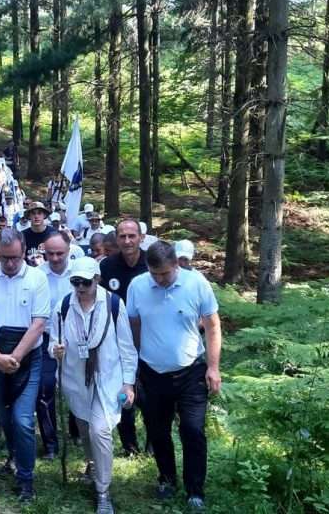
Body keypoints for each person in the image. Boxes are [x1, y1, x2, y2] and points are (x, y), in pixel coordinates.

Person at [126, 241, 222, 511]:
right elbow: (134, 325)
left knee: (193, 430)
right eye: (154, 274)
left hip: (191, 370)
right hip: (152, 371)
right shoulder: (138, 286)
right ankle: (166, 478)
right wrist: (135, 363)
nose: (160, 279)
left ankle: (195, 490)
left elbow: (213, 326)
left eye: (165, 274)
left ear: (177, 264)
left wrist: (213, 367)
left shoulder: (196, 283)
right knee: (158, 430)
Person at [50, 257, 138, 514]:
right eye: (75, 282)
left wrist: (128, 384)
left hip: (107, 379)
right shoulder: (63, 306)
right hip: (76, 380)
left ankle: (103, 491)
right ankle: (92, 465)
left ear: (97, 280)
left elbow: (127, 348)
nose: (80, 287)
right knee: (85, 427)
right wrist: (55, 350)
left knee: (100, 431)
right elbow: (52, 341)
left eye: (85, 282)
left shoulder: (113, 304)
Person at [0, 228, 50, 502]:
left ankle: (26, 479)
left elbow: (38, 324)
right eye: (4, 258)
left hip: (28, 358)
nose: (9, 263)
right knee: (5, 417)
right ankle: (14, 456)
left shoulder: (37, 278)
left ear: (24, 252)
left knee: (23, 419)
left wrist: (15, 357)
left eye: (15, 258)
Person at [98, 218, 148, 456]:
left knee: (149, 394)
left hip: (149, 338)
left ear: (141, 238)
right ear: (116, 239)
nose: (127, 241)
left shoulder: (151, 263)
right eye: (122, 236)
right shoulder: (107, 266)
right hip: (117, 339)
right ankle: (129, 445)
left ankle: (153, 442)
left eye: (132, 236)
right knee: (122, 390)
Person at [35, 232, 75, 460]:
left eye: (60, 253)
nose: (55, 258)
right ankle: (50, 443)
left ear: (68, 250)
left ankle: (77, 430)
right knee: (44, 388)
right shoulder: (37, 276)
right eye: (50, 253)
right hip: (46, 339)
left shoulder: (79, 274)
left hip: (76, 339)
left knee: (79, 386)